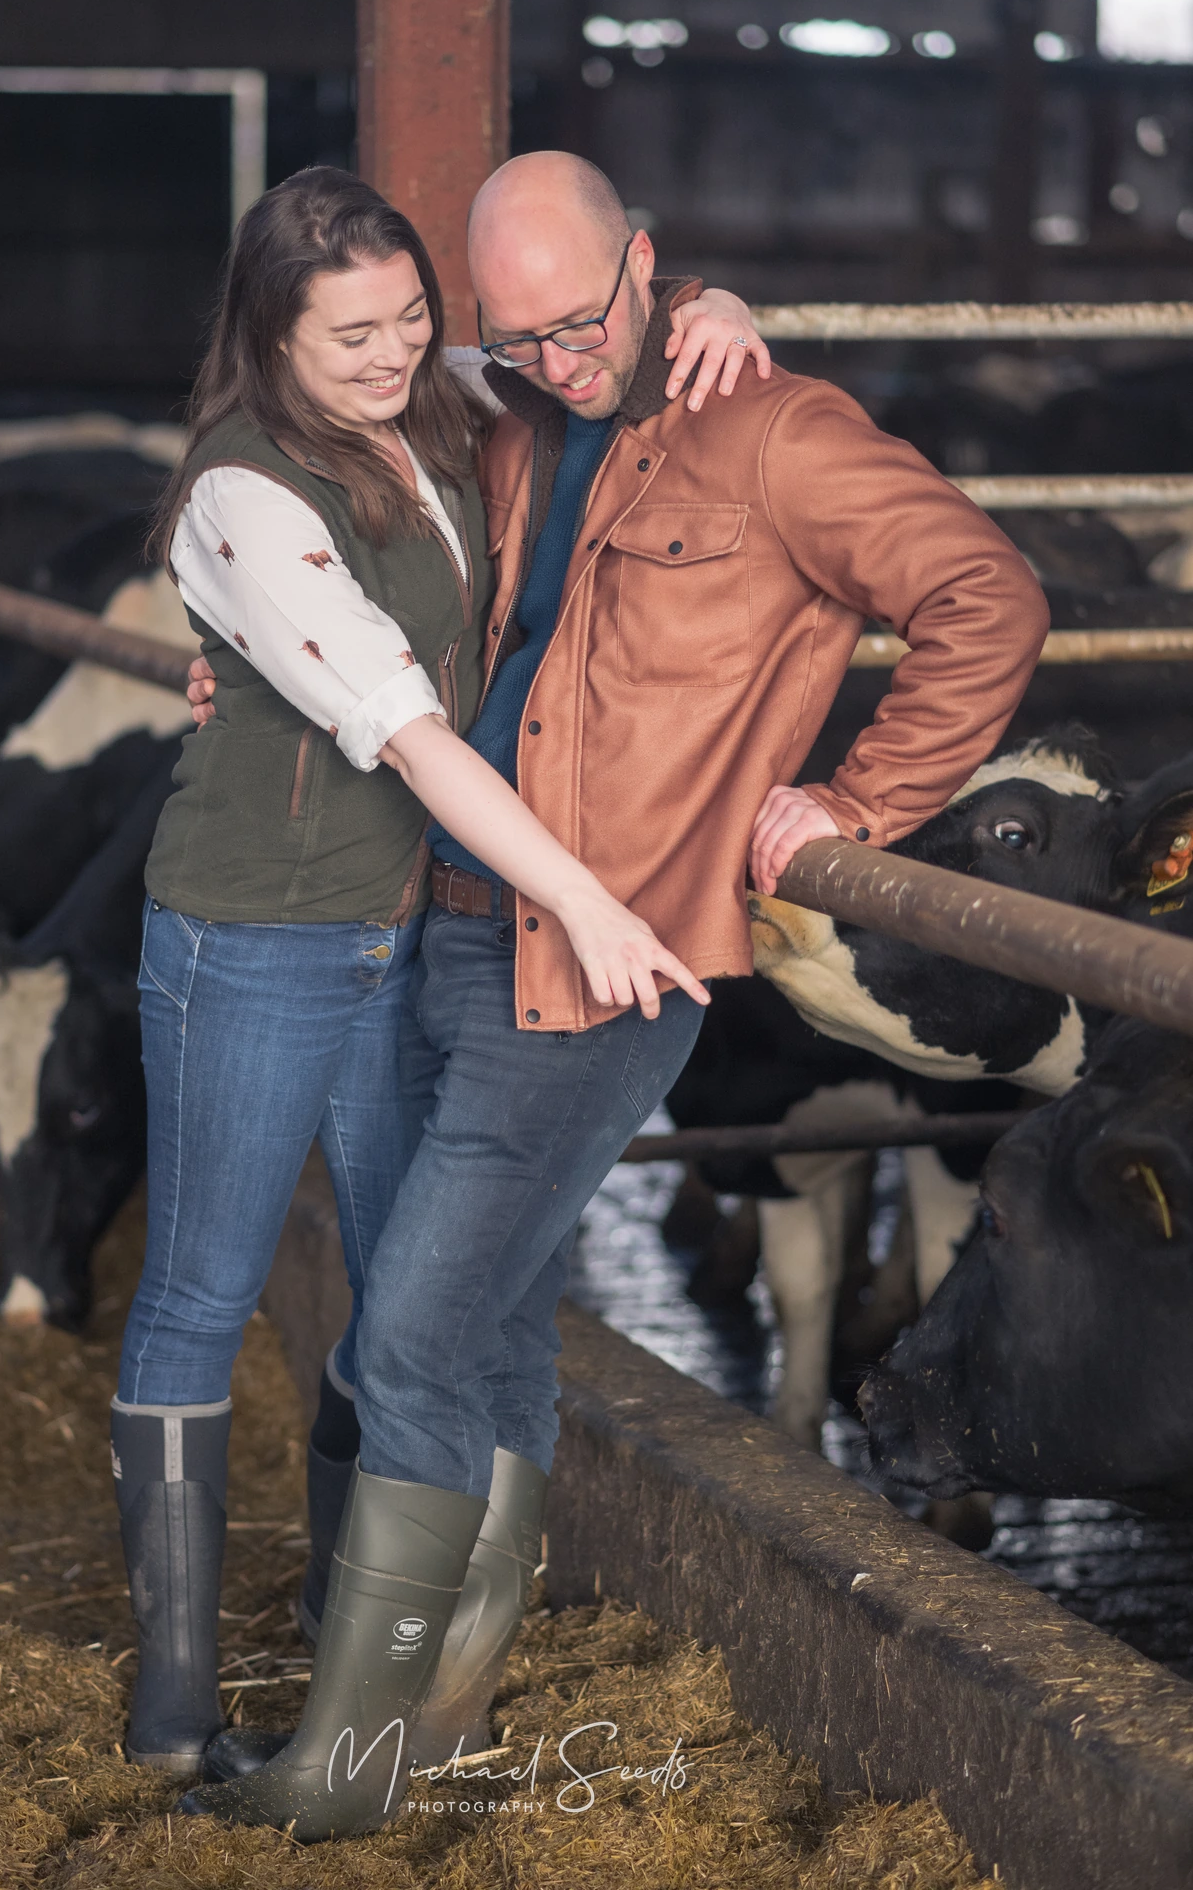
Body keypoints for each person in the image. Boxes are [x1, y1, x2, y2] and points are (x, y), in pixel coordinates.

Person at [182, 152, 1049, 1837]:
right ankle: (446, 1702)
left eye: (582, 323)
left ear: (649, 267)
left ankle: (355, 1772)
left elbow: (985, 595)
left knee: (412, 1333)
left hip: (605, 956)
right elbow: (339, 488)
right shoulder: (507, 412)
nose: (556, 360)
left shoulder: (777, 435)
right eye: (516, 337)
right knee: (488, 1326)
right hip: (440, 915)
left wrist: (858, 800)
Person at [109, 163, 763, 1783]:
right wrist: (592, 905)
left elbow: (589, 337)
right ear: (271, 336)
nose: (396, 352)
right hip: (253, 937)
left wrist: (723, 315)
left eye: (414, 316)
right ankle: (175, 1713)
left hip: (405, 941)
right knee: (207, 1290)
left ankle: (366, 1682)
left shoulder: (451, 403)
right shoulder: (241, 496)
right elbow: (408, 729)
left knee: (407, 1305)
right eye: (351, 335)